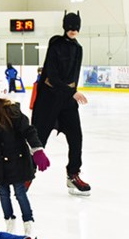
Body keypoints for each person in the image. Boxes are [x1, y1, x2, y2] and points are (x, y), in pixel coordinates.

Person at [0, 77, 51, 237]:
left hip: (18, 162)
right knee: (3, 194)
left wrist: (37, 150)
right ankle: (10, 224)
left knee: (20, 193)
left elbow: (29, 130)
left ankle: (29, 225)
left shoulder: (13, 111)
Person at [32, 11, 91, 196]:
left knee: (76, 138)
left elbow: (73, 76)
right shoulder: (55, 44)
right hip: (49, 100)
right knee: (39, 138)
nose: (73, 30)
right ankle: (27, 174)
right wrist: (72, 91)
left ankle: (73, 175)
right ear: (65, 26)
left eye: (76, 27)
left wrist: (71, 92)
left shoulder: (79, 48)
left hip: (67, 102)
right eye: (70, 26)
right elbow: (51, 75)